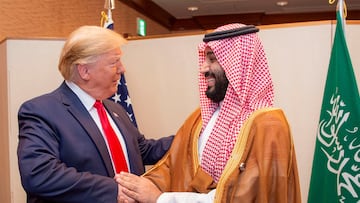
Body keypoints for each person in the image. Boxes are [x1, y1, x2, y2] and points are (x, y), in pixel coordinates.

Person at [115, 23, 302, 203]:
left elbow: (247, 197)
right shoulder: (200, 118)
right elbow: (172, 166)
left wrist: (160, 198)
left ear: (237, 63)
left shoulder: (268, 125)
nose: (203, 68)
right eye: (205, 59)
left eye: (212, 59)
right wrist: (137, 188)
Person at [17, 25, 173, 203]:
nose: (122, 69)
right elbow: (39, 173)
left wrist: (194, 134)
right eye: (114, 62)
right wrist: (114, 190)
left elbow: (144, 150)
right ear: (84, 71)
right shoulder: (41, 111)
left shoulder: (115, 109)